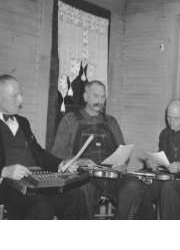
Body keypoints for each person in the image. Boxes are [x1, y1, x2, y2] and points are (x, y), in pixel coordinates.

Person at [0, 74, 88, 220]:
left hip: (38, 184)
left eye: (21, 94)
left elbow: (38, 153)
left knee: (76, 196)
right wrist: (3, 171)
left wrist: (61, 164)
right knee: (41, 205)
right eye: (15, 95)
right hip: (8, 189)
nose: (21, 100)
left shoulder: (23, 122)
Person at [51, 80, 146, 219]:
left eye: (103, 97)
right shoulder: (70, 120)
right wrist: (81, 162)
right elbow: (57, 154)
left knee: (134, 185)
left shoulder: (111, 122)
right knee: (82, 190)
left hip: (111, 176)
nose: (100, 101)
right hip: (84, 176)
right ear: (85, 97)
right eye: (96, 96)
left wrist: (122, 164)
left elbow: (123, 151)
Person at [123, 99, 180, 219]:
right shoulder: (165, 133)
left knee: (169, 189)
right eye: (169, 117)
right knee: (141, 184)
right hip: (166, 178)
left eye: (176, 118)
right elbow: (163, 160)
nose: (171, 122)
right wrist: (154, 163)